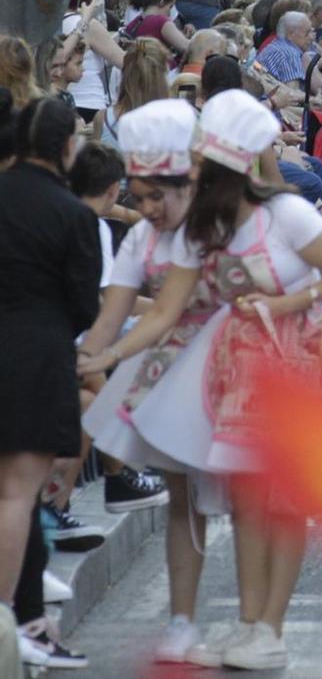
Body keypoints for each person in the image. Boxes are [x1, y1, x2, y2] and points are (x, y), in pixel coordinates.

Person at [126, 90, 322, 670]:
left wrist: (284, 305)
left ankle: (272, 626)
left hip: (292, 367)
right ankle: (251, 621)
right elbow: (171, 299)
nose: (196, 171)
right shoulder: (214, 223)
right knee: (247, 499)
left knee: (283, 500)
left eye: (205, 162)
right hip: (238, 374)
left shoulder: (291, 215)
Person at [74, 100, 218, 665]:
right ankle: (182, 619)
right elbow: (113, 309)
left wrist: (103, 355)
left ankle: (261, 621)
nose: (149, 207)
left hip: (225, 361)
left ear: (191, 182)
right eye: (141, 196)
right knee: (182, 492)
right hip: (163, 365)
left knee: (254, 496)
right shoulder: (140, 238)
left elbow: (161, 314)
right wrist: (89, 352)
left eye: (161, 195)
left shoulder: (210, 229)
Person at [0, 96, 98, 665]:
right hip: (36, 356)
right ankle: (7, 618)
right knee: (17, 492)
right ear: (65, 147)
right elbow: (84, 306)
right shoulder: (72, 213)